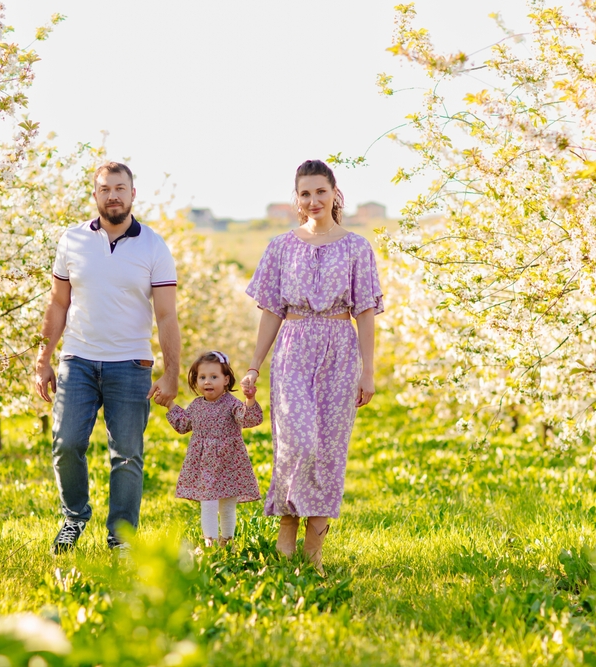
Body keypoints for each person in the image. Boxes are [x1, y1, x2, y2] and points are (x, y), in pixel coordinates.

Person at [240, 159, 383, 575]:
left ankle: (312, 554)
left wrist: (368, 371)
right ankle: (286, 535)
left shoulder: (357, 247)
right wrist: (253, 365)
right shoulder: (281, 247)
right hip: (294, 349)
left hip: (340, 350)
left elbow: (367, 313)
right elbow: (271, 311)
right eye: (305, 193)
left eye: (321, 191)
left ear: (334, 193)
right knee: (296, 443)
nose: (313, 200)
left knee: (329, 451)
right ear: (296, 199)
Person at [34, 161, 181, 555]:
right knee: (66, 443)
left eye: (120, 188)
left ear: (133, 194)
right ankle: (74, 517)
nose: (112, 195)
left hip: (131, 365)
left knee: (127, 455)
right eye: (105, 189)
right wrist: (44, 356)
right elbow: (58, 303)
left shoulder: (153, 245)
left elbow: (167, 314)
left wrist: (171, 374)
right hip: (77, 361)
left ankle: (121, 538)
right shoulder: (72, 240)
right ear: (95, 195)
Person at [162, 351, 262, 548]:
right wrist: (169, 404)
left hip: (229, 462)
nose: (207, 382)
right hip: (204, 464)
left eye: (214, 377)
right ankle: (210, 542)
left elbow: (249, 419)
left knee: (227, 504)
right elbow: (183, 425)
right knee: (207, 501)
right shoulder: (197, 405)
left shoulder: (231, 404)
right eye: (202, 377)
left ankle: (227, 540)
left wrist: (249, 399)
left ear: (226, 379)